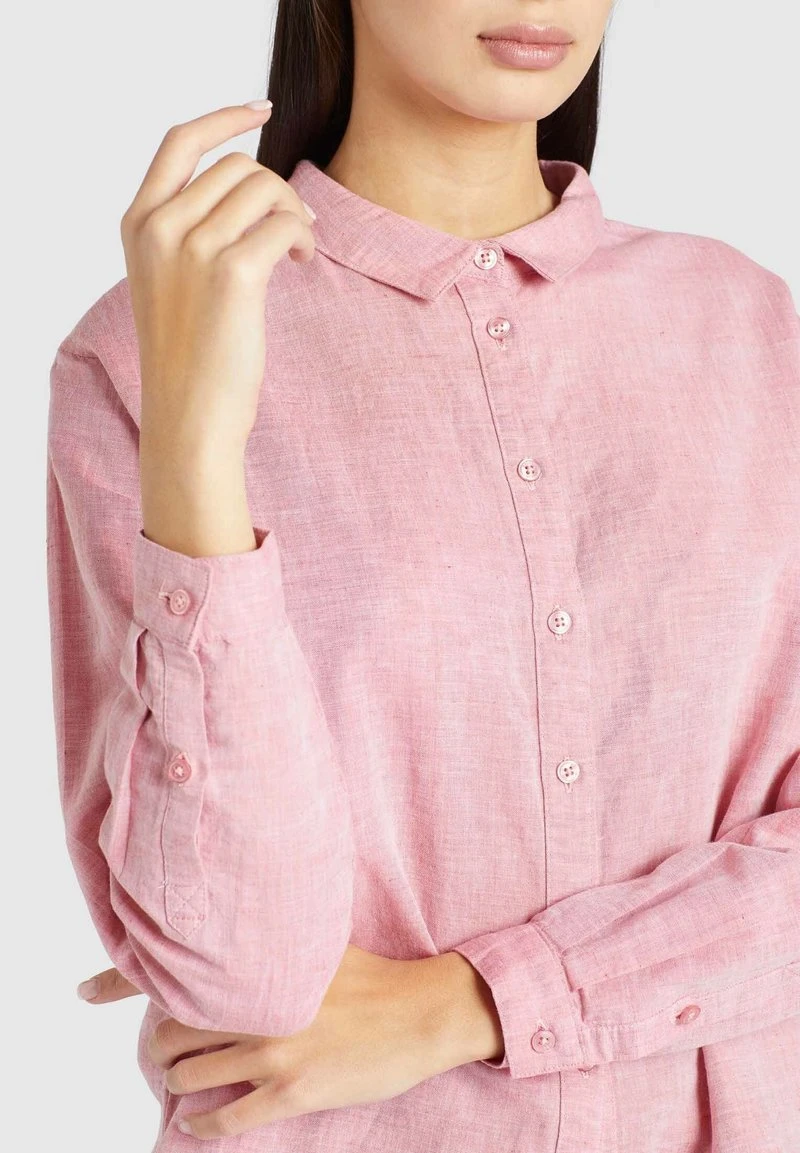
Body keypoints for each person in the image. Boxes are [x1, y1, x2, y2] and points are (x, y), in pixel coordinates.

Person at [46, 1, 800, 1150]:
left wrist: (470, 1003)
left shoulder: (744, 324)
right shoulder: (137, 353)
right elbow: (241, 976)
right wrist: (196, 445)